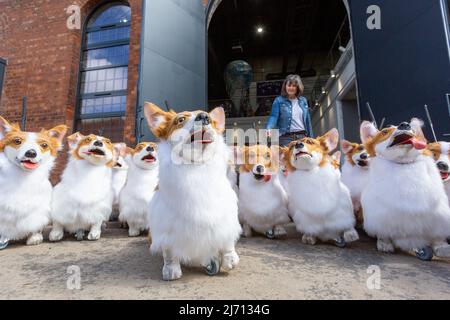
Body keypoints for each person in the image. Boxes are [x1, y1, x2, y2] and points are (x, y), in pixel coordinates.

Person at [266, 74, 313, 146]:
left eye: (294, 86)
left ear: (298, 87)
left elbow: (307, 120)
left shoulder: (303, 100)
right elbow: (273, 116)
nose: (291, 88)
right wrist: (269, 127)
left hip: (302, 136)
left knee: (304, 157)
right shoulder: (279, 100)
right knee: (287, 157)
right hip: (285, 137)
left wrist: (311, 138)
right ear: (285, 86)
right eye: (289, 85)